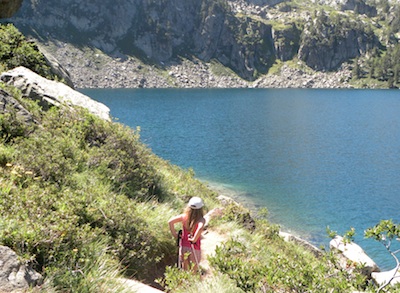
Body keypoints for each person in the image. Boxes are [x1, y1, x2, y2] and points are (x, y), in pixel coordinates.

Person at [168, 196, 205, 272]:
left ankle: (185, 283)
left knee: (185, 269)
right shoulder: (201, 219)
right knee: (193, 270)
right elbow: (200, 228)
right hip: (195, 247)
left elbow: (170, 222)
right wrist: (194, 239)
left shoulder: (184, 216)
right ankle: (192, 283)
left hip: (184, 246)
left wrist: (175, 235)